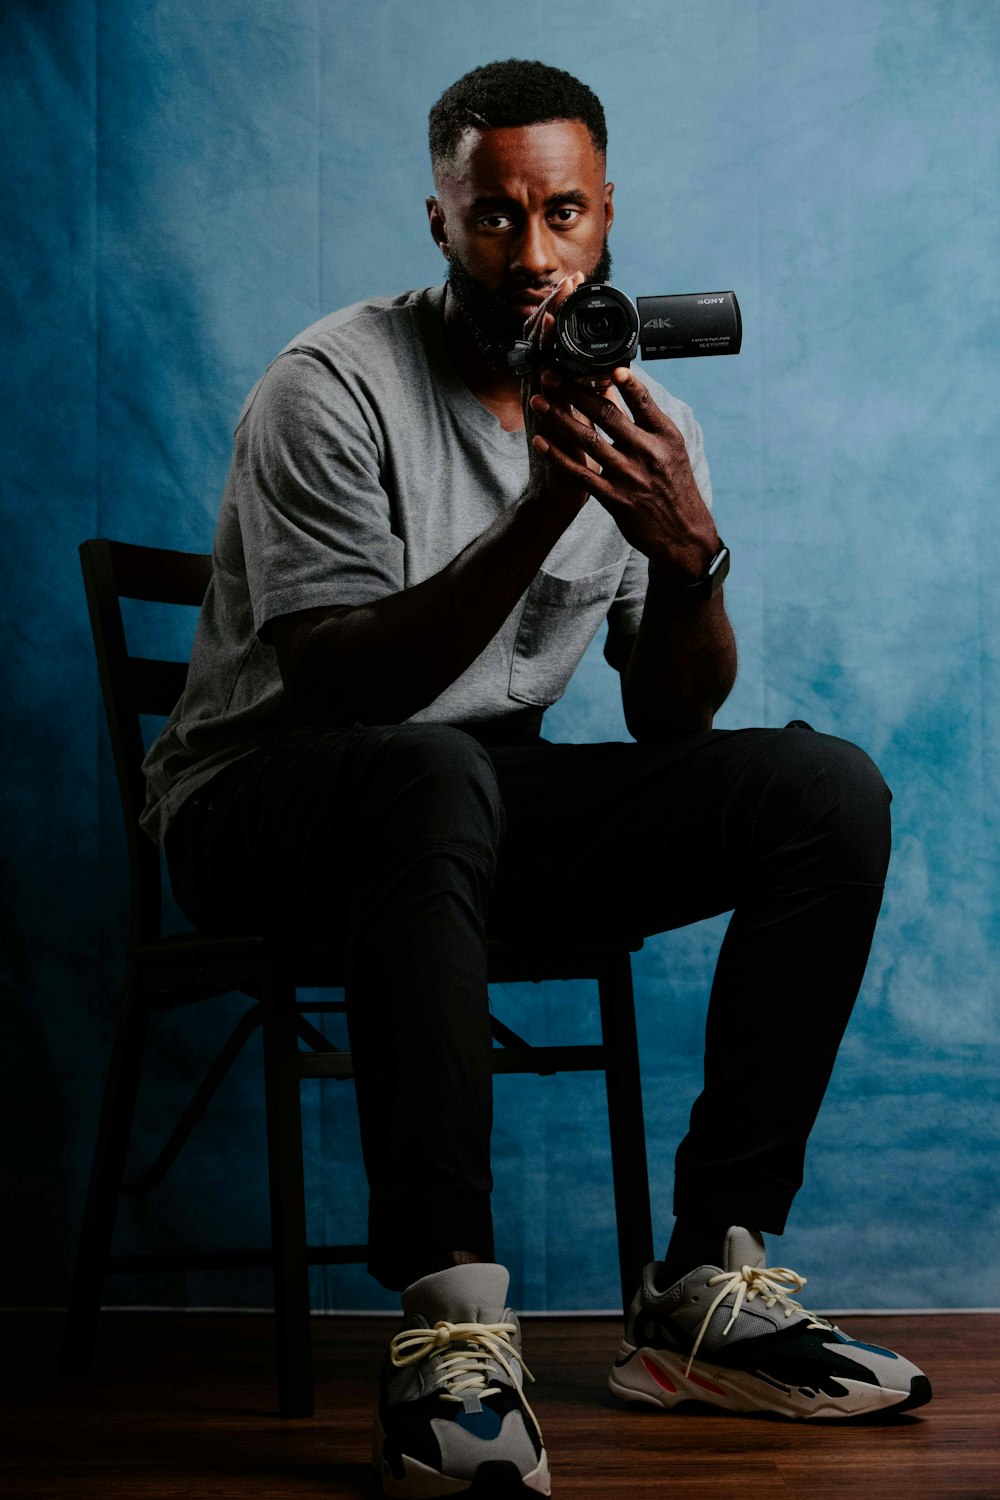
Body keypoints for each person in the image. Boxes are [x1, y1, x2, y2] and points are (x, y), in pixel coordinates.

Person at [143, 58, 930, 1500]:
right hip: (263, 800)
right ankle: (449, 1326)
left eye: (562, 214)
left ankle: (708, 1289)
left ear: (608, 213)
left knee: (824, 793)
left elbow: (672, 729)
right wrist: (546, 508)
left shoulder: (643, 413)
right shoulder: (331, 387)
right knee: (435, 771)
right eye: (494, 218)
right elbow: (344, 692)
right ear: (439, 222)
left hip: (465, 809)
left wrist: (689, 558)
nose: (535, 255)